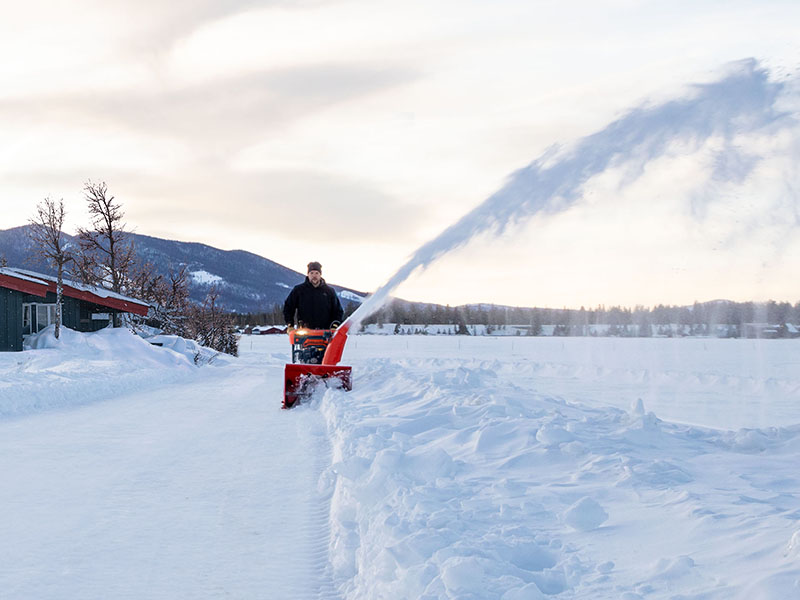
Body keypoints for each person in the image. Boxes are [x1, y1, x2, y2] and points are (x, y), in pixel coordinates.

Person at [283, 261, 344, 332]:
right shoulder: (299, 290)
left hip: (326, 332)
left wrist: (335, 325)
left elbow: (338, 311)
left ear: (320, 275)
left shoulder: (329, 291)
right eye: (311, 273)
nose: (314, 276)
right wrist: (290, 325)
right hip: (304, 332)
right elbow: (288, 307)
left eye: (316, 273)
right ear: (308, 274)